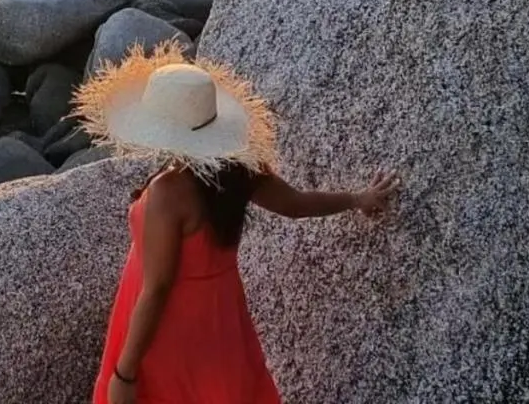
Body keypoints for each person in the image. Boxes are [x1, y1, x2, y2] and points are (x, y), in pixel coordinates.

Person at [73, 44, 401, 404]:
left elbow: (159, 288)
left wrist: (125, 372)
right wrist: (357, 199)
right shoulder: (237, 172)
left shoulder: (170, 191)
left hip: (168, 323)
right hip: (219, 313)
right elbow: (296, 204)